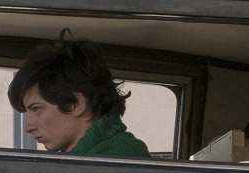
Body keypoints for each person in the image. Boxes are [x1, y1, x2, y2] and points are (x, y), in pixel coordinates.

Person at [9, 40, 149, 158]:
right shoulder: (81, 157)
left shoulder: (120, 157)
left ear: (75, 104)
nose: (28, 127)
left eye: (37, 109)